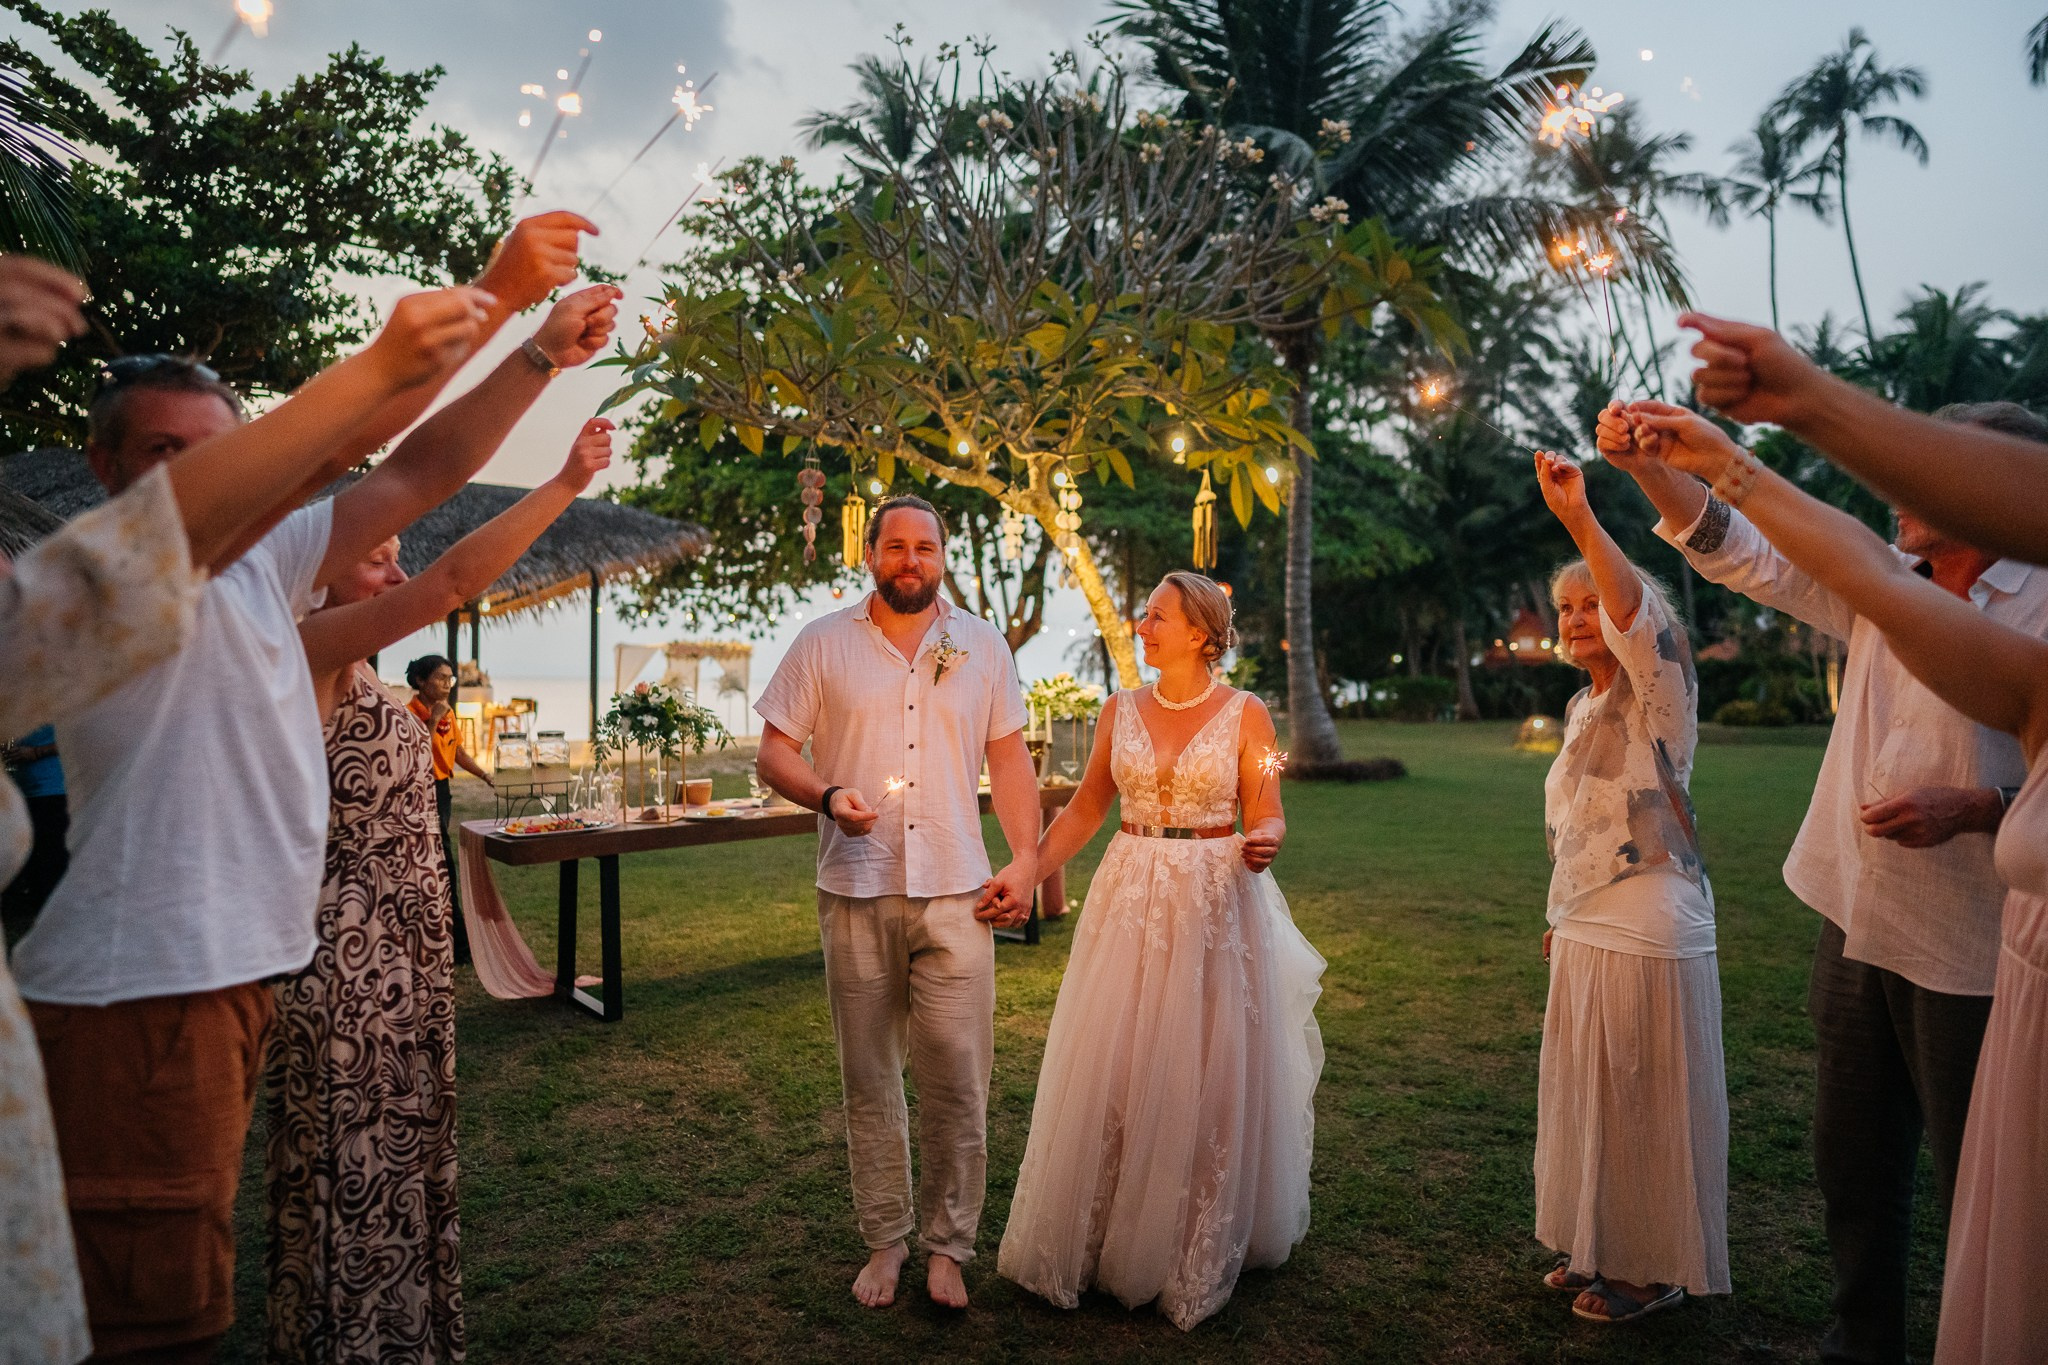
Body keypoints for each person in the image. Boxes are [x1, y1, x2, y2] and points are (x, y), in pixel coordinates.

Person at [15, 213, 605, 1360]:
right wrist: (488, 296)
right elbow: (344, 451)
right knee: (154, 1327)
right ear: (110, 471)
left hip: (234, 977)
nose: (204, 478)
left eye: (220, 450)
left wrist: (535, 359)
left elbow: (420, 472)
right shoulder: (116, 580)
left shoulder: (270, 574)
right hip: (144, 992)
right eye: (165, 455)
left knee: (186, 1297)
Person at [1599, 396, 2048, 1364]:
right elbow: (1740, 548)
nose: (1898, 490)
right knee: (1850, 1161)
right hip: (1853, 912)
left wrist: (1976, 806)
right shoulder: (1884, 580)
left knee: (1987, 1179)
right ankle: (1859, 1342)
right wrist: (1647, 468)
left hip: (1977, 945)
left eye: (1924, 474)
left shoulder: (2042, 606)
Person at [265, 418, 616, 1363]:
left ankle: (405, 1339)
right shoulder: (311, 651)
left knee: (400, 1166)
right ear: (317, 571)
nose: (392, 570)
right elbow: (453, 582)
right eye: (374, 556)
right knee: (355, 1176)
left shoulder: (365, 669)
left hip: (402, 959)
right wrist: (563, 484)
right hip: (349, 963)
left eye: (395, 555)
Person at [995, 571, 1325, 1331]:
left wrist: (1268, 835)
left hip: (1215, 896)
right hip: (1131, 892)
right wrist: (1028, 873)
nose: (1143, 625)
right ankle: (1101, 1228)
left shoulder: (1249, 715)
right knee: (1119, 1056)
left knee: (1204, 1060)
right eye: (1144, 614)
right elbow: (1086, 807)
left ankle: (1188, 1233)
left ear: (1202, 633)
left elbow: (1265, 805)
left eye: (1158, 615)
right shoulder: (1119, 710)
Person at [753, 495, 1041, 1311]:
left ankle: (948, 1246)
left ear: (944, 554)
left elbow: (1011, 762)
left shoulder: (981, 644)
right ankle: (886, 1238)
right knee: (870, 1075)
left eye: (925, 546)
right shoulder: (822, 643)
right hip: (856, 889)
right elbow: (774, 749)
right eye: (895, 546)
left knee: (958, 1077)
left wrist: (1024, 859)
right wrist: (828, 791)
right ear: (870, 554)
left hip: (958, 892)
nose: (910, 559)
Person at [1526, 450, 1728, 1324]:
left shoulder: (1659, 689)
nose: (1577, 617)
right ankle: (1599, 1243)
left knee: (1644, 1090)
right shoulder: (1578, 708)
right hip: (1587, 923)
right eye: (1564, 607)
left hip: (1651, 917)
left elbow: (1636, 615)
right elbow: (1578, 829)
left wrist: (1581, 521)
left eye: (1588, 604)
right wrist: (1561, 912)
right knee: (1590, 1086)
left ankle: (1654, 1268)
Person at [406, 654, 492, 963]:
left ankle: (456, 944)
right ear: (421, 681)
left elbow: (456, 751)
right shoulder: (409, 713)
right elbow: (415, 755)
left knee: (443, 861)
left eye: (449, 678)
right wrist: (432, 720)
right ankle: (457, 947)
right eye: (441, 678)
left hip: (441, 791)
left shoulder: (448, 713)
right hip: (421, 790)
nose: (447, 684)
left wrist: (483, 774)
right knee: (441, 862)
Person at [1, 726, 64, 928]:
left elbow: (74, 739)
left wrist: (36, 752)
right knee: (34, 866)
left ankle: (55, 924)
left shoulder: (55, 702)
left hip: (52, 792)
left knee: (50, 865)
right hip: (23, 793)